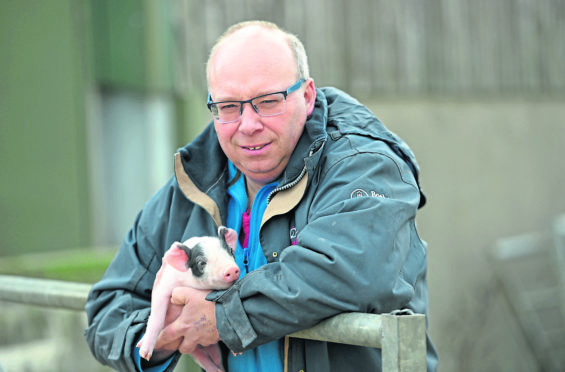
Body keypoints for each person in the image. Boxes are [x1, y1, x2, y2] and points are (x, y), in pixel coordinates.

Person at [85, 20, 439, 372]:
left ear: (308, 95)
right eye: (228, 106)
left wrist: (220, 316)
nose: (248, 124)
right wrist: (163, 334)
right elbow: (107, 310)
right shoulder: (196, 180)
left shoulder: (363, 165)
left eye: (268, 102)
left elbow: (352, 269)